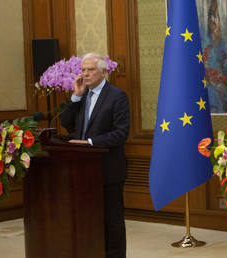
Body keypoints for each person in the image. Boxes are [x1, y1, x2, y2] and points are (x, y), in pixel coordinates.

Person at [61, 53, 130, 258]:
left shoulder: (117, 96)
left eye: (90, 69)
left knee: (112, 221)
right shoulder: (82, 96)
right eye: (83, 69)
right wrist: (75, 95)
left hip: (109, 170)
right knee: (90, 220)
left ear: (103, 71)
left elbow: (121, 133)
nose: (85, 74)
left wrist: (90, 143)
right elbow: (66, 123)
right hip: (84, 171)